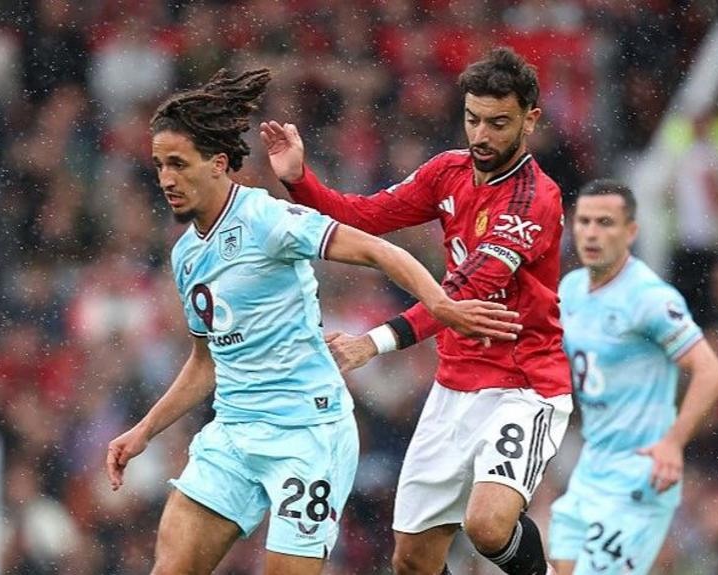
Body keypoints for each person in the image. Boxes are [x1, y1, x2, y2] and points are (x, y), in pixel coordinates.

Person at [104, 67, 523, 575]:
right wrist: (145, 430)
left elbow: (378, 250)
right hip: (233, 434)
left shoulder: (266, 219)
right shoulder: (186, 255)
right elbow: (205, 361)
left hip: (308, 434)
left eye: (178, 163)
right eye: (158, 165)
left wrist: (441, 306)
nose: (166, 179)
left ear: (217, 164)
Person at [260, 47, 572, 575]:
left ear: (530, 120)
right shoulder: (447, 171)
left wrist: (372, 343)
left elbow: (461, 295)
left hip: (524, 385)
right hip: (454, 386)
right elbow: (365, 216)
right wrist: (299, 180)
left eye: (498, 123)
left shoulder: (533, 200)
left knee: (488, 525)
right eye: (473, 119)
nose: (481, 136)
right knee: (412, 561)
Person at [547, 180, 718, 575]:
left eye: (605, 223)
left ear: (631, 232)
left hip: (638, 474)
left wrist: (673, 442)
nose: (591, 233)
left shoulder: (649, 298)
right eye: (584, 221)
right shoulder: (571, 289)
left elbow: (710, 371)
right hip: (591, 467)